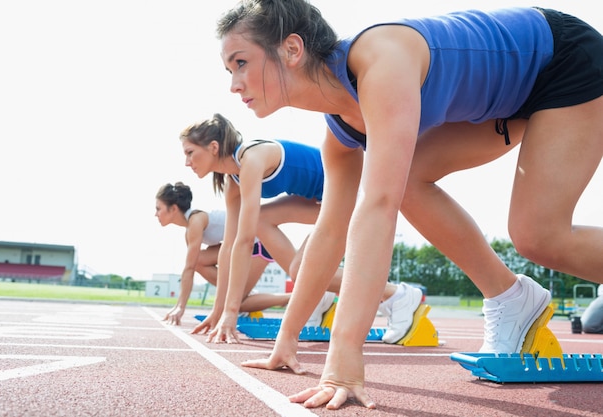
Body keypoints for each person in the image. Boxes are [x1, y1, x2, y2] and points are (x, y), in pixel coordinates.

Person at [216, 1, 603, 409]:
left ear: (292, 50)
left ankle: (513, 294)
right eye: (229, 70)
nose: (234, 84)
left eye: (241, 63)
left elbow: (378, 205)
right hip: (510, 98)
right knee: (410, 180)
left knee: (539, 235)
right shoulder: (340, 135)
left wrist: (345, 353)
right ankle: (511, 297)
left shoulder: (380, 60)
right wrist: (287, 339)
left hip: (560, 58)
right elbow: (329, 232)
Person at [180, 113, 423, 344]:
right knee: (273, 235)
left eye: (190, 153)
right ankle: (322, 296)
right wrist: (219, 309)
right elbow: (229, 247)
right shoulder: (232, 181)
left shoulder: (251, 159)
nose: (187, 162)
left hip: (347, 190)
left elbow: (245, 242)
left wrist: (231, 312)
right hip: (319, 198)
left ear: (213, 147)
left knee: (300, 270)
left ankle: (396, 295)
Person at [155, 181, 291, 326]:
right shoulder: (189, 230)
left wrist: (180, 307)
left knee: (238, 303)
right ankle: (238, 293)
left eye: (158, 209)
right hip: (241, 245)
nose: (156, 214)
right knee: (198, 260)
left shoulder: (196, 221)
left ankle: (291, 298)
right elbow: (191, 266)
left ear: (173, 209)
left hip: (259, 243)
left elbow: (188, 268)